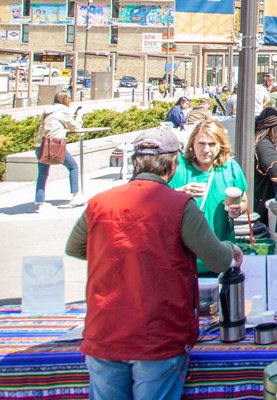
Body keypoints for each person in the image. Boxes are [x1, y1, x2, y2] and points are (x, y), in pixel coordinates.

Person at [65, 127, 242, 400]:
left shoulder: (100, 203)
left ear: (136, 162)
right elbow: (219, 261)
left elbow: (75, 247)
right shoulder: (179, 205)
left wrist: (119, 255)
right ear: (173, 164)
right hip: (158, 333)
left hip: (105, 331)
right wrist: (230, 248)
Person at [168, 119, 248, 272]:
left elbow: (244, 201)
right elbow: (159, 203)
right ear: (192, 144)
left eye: (212, 144)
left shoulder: (230, 168)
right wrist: (179, 193)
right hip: (184, 259)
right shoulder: (178, 168)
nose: (206, 149)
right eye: (201, 143)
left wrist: (238, 209)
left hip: (219, 256)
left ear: (221, 146)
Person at [33, 90, 84, 210]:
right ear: (67, 100)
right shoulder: (64, 111)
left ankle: (39, 203)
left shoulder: (47, 110)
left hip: (40, 145)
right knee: (73, 167)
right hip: (54, 145)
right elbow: (76, 127)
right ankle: (75, 196)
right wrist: (80, 116)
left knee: (42, 174)